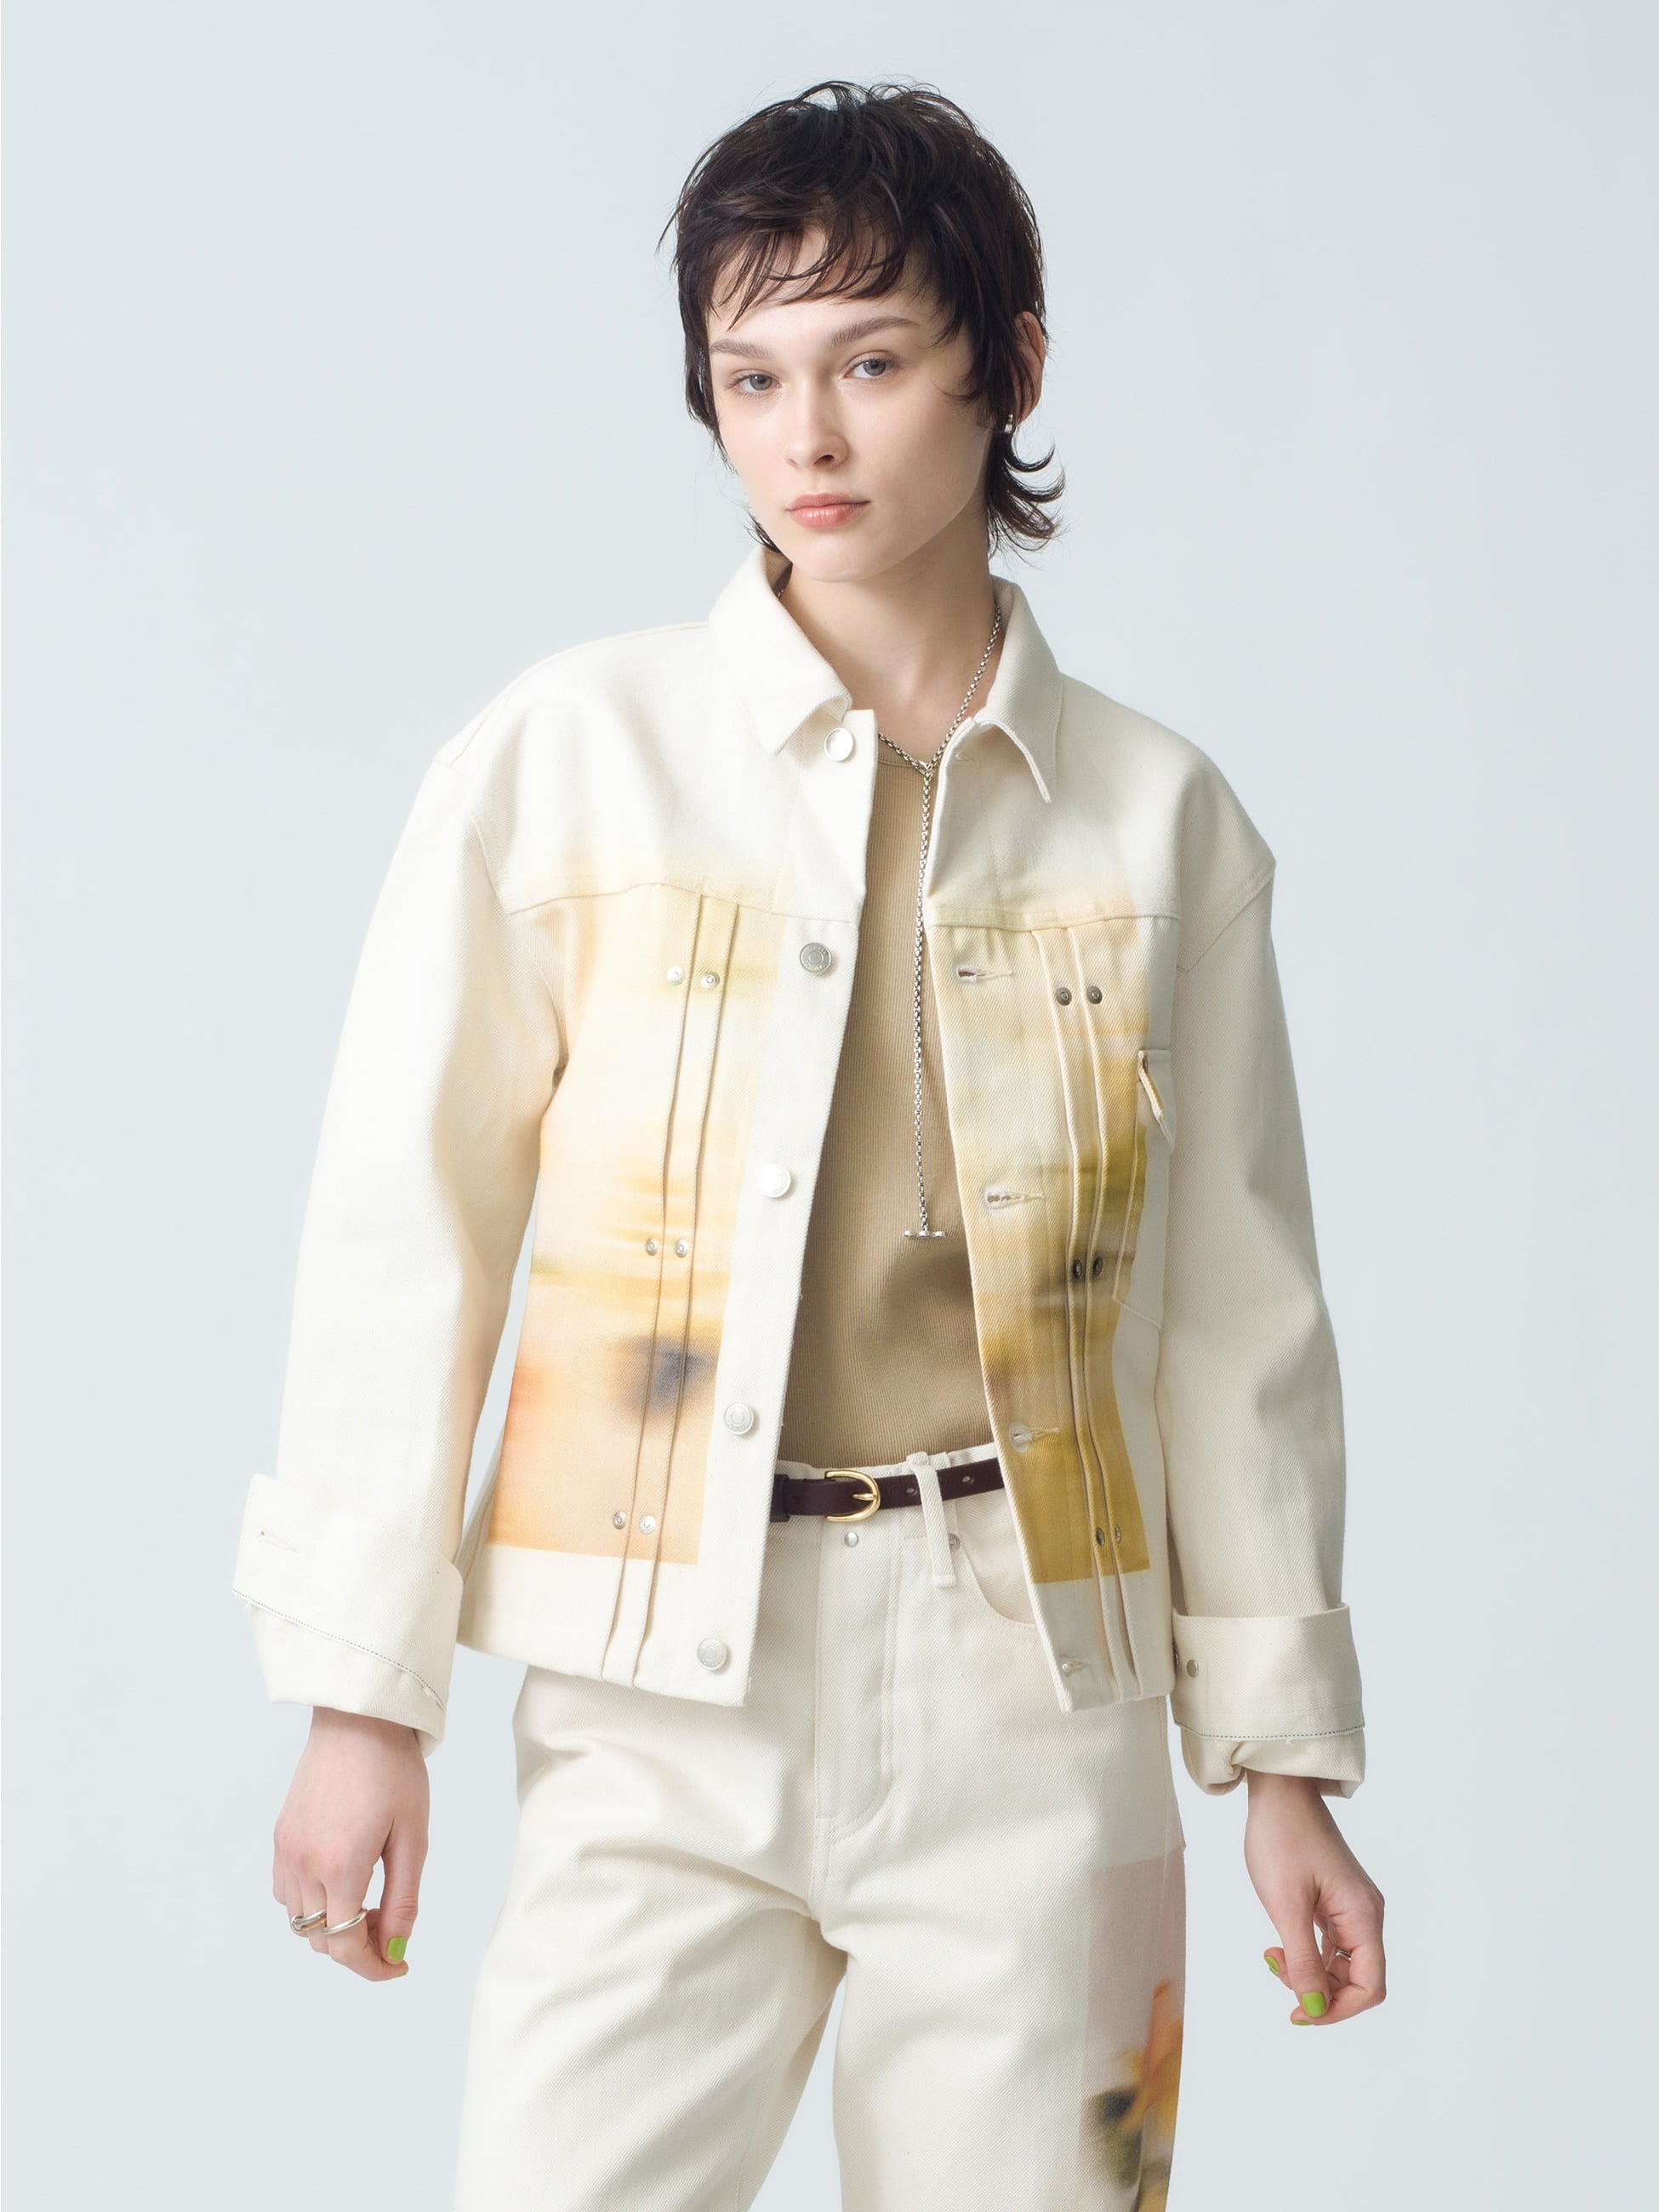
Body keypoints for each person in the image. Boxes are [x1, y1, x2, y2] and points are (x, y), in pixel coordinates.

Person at [233, 77, 1386, 2210]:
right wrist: (358, 1697)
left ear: (1007, 363)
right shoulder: (564, 764)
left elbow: (1242, 1319)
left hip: (1036, 1690)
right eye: (751, 376)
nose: (807, 437)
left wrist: (1285, 1759)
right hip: (657, 1680)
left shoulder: (1164, 825)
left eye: (871, 360)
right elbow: (409, 1237)